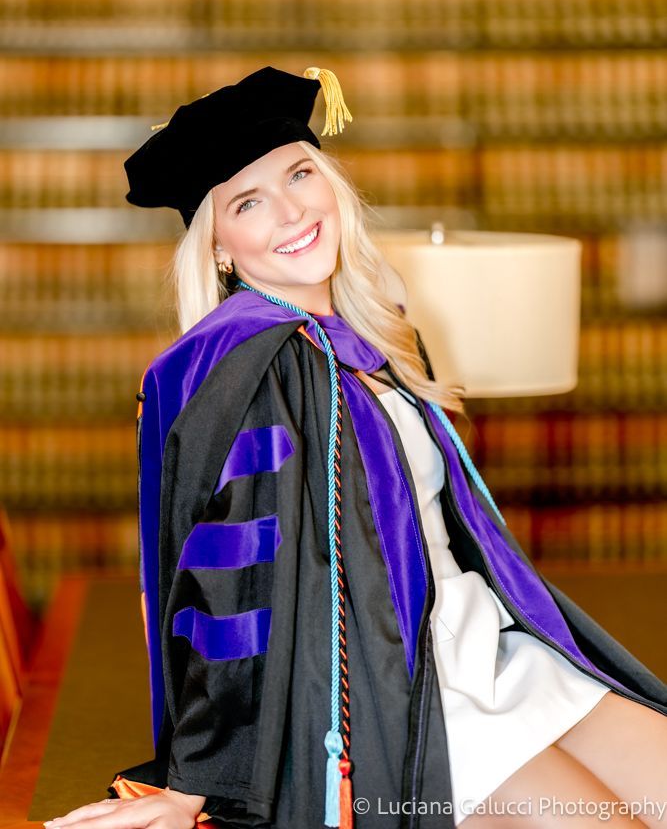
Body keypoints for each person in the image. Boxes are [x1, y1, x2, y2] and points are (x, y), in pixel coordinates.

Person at [45, 66, 667, 829]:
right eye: (248, 203)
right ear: (219, 249)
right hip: (396, 690)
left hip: (490, 647)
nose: (291, 211)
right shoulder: (257, 366)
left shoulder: (377, 334)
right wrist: (195, 782)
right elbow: (230, 587)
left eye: (299, 175)